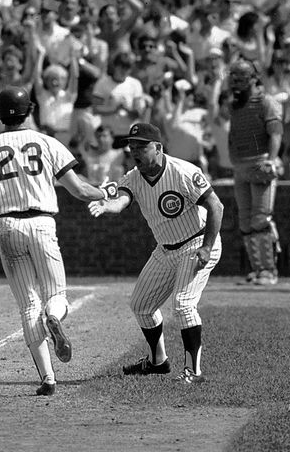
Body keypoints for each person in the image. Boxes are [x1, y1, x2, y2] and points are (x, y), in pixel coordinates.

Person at [0, 86, 117, 396]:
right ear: (32, 109)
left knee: (27, 306)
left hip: (7, 225)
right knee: (57, 296)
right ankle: (54, 317)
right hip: (42, 223)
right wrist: (106, 192)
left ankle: (48, 378)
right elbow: (79, 190)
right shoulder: (48, 142)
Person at [87, 122, 224, 384]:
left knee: (183, 304)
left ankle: (193, 372)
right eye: (132, 146)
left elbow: (216, 206)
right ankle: (157, 362)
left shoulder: (183, 171)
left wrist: (207, 247)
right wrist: (106, 206)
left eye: (142, 146)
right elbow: (121, 201)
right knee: (141, 306)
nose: (135, 151)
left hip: (196, 243)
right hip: (166, 248)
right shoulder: (134, 178)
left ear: (158, 147)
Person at [227, 59, 284, 286]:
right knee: (245, 221)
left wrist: (271, 159)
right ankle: (257, 268)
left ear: (254, 78)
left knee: (261, 218)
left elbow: (276, 132)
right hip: (240, 165)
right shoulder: (235, 105)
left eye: (241, 78)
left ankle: (269, 270)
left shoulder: (266, 102)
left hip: (260, 162)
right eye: (234, 77)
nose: (237, 82)